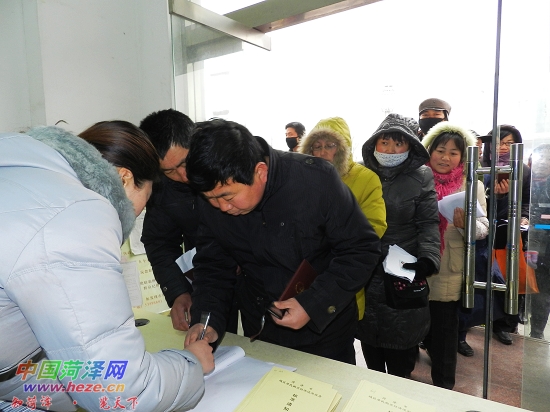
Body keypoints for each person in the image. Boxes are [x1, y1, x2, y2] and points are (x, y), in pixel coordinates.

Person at [0, 122, 213, 411]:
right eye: (145, 198)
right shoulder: (75, 214)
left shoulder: (22, 175)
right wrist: (191, 363)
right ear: (124, 178)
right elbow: (122, 394)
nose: (138, 213)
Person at [183, 119, 381, 364]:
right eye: (210, 199)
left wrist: (312, 304)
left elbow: (362, 249)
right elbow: (213, 265)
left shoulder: (316, 180)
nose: (222, 207)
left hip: (325, 331)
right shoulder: (213, 192)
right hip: (261, 328)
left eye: (228, 197)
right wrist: (206, 320)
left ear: (260, 172)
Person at [356, 113, 441, 378]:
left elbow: (428, 222)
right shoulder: (359, 173)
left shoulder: (421, 175)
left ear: (410, 146)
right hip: (365, 268)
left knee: (401, 353)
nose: (391, 150)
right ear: (374, 144)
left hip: (403, 269)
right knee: (370, 345)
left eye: (398, 143)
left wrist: (427, 259)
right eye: (385, 142)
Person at [421, 122, 489, 389]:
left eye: (453, 153)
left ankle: (444, 388)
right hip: (417, 267)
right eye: (440, 151)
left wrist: (466, 225)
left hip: (449, 269)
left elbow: (484, 228)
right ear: (429, 151)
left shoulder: (472, 186)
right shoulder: (416, 180)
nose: (445, 158)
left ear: (462, 157)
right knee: (412, 328)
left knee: (445, 335)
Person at [299, 116, 387, 321]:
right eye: (317, 146)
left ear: (343, 148)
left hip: (342, 269)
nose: (322, 152)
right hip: (306, 273)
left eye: (330, 145)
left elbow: (375, 226)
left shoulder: (366, 178)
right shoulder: (302, 179)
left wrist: (331, 244)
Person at [139, 109, 198, 331]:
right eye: (170, 171)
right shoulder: (161, 186)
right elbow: (160, 242)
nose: (184, 176)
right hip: (205, 279)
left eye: (184, 163)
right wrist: (178, 291)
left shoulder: (225, 154)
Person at [481, 125, 532, 345]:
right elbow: (477, 203)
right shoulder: (481, 168)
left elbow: (528, 201)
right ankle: (478, 319)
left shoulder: (524, 171)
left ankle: (505, 325)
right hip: (482, 232)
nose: (502, 147)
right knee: (484, 275)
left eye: (509, 143)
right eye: (498, 142)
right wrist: (495, 196)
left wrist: (524, 217)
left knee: (509, 277)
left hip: (509, 233)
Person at [528, 144, 550, 339]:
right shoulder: (524, 182)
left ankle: (537, 331)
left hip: (545, 249)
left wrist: (538, 224)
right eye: (540, 158)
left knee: (542, 291)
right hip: (525, 243)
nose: (542, 162)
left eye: (548, 159)